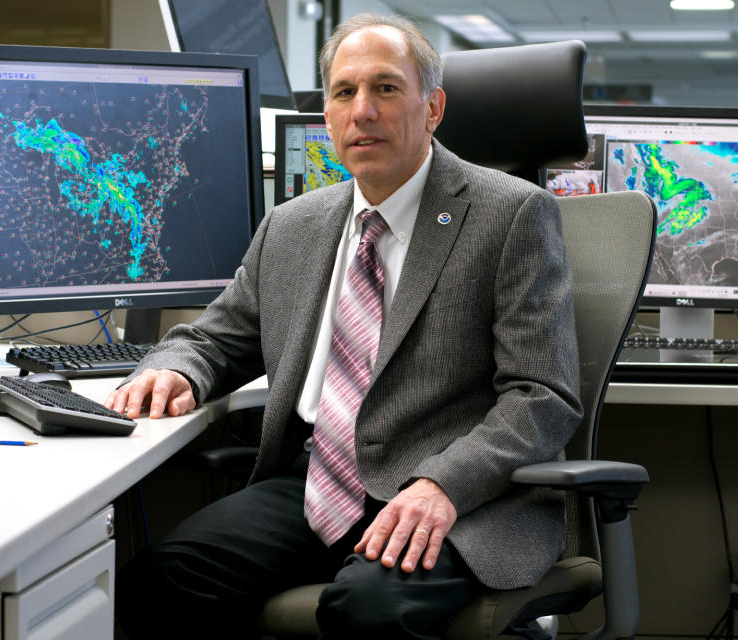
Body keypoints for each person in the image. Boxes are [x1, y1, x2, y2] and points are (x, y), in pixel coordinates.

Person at [107, 12, 582, 639]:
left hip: (452, 495)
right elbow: (218, 337)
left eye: (386, 88)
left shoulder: (510, 214)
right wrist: (174, 367)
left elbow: (541, 397)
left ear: (432, 107)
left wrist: (443, 484)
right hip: (313, 487)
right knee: (159, 580)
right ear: (326, 118)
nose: (363, 111)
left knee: (368, 607)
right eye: (344, 92)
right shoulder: (294, 225)